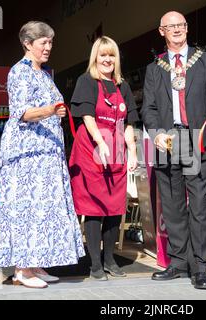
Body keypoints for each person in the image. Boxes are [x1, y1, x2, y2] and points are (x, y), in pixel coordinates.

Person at [0, 21, 85, 289]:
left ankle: (34, 263)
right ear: (27, 44)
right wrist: (51, 111)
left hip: (45, 152)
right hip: (27, 153)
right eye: (43, 42)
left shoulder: (43, 74)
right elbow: (22, 112)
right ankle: (22, 268)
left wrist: (55, 112)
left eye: (50, 42)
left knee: (42, 207)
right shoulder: (18, 72)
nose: (48, 47)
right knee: (27, 206)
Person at [141, 11, 206, 290]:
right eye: (171, 26)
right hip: (168, 140)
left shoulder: (205, 60)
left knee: (200, 205)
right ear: (161, 31)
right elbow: (149, 108)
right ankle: (178, 262)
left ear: (187, 28)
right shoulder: (155, 68)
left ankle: (200, 267)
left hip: (198, 138)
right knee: (172, 205)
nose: (177, 29)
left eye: (181, 25)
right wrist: (156, 134)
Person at [69, 36, 139, 281]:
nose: (107, 59)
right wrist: (100, 142)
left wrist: (133, 152)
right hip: (91, 150)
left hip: (116, 151)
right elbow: (87, 116)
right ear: (95, 58)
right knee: (94, 208)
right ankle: (95, 263)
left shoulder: (123, 86)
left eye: (111, 55)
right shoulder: (86, 81)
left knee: (114, 208)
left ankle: (110, 259)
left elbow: (129, 122)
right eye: (103, 55)